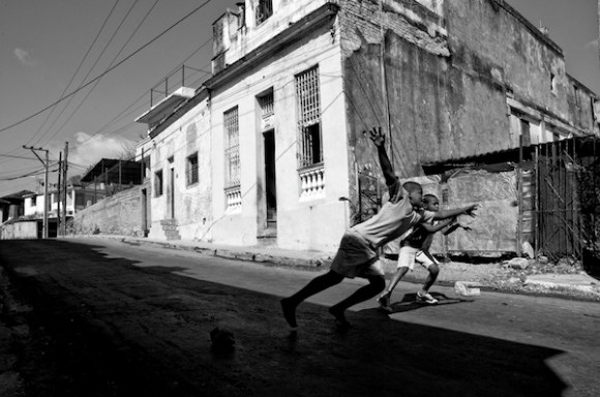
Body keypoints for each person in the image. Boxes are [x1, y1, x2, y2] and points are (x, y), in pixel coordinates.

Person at [280, 127, 476, 330]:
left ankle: (337, 308)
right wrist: (381, 147)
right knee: (334, 278)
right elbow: (389, 172)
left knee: (376, 285)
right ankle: (293, 302)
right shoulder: (399, 198)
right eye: (420, 192)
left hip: (366, 247)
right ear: (409, 194)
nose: (422, 196)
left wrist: (464, 209)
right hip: (358, 240)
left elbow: (442, 215)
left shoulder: (418, 215)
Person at [377, 193, 474, 309]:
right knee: (403, 268)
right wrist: (452, 218)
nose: (437, 206)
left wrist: (457, 224)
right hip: (408, 245)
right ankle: (386, 294)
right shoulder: (420, 216)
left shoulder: (434, 218)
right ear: (425, 206)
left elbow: (445, 231)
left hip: (420, 249)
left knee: (434, 270)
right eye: (434, 204)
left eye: (438, 204)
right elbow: (431, 229)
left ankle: (423, 293)